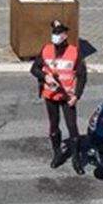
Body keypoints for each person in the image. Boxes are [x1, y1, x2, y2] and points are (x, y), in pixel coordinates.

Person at [30, 20, 87, 174]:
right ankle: (57, 154)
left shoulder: (74, 52)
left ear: (64, 36)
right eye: (54, 34)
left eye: (58, 34)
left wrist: (77, 95)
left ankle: (76, 159)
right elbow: (34, 68)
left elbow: (82, 76)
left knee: (72, 128)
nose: (55, 37)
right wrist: (45, 76)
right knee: (53, 127)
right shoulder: (46, 49)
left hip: (67, 97)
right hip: (50, 95)